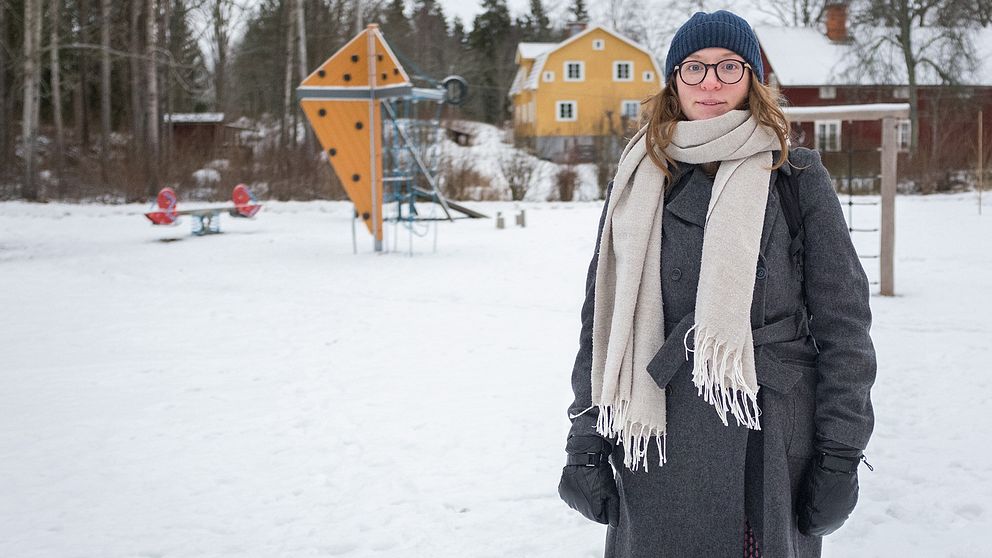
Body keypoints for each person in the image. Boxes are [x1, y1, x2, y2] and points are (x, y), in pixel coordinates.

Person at [557, 10, 876, 558]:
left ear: (752, 78)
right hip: (651, 434)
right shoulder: (638, 180)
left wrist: (841, 453)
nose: (711, 83)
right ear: (673, 81)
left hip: (766, 438)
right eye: (694, 68)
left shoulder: (794, 177)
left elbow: (844, 327)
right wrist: (585, 442)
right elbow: (602, 324)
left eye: (729, 66)